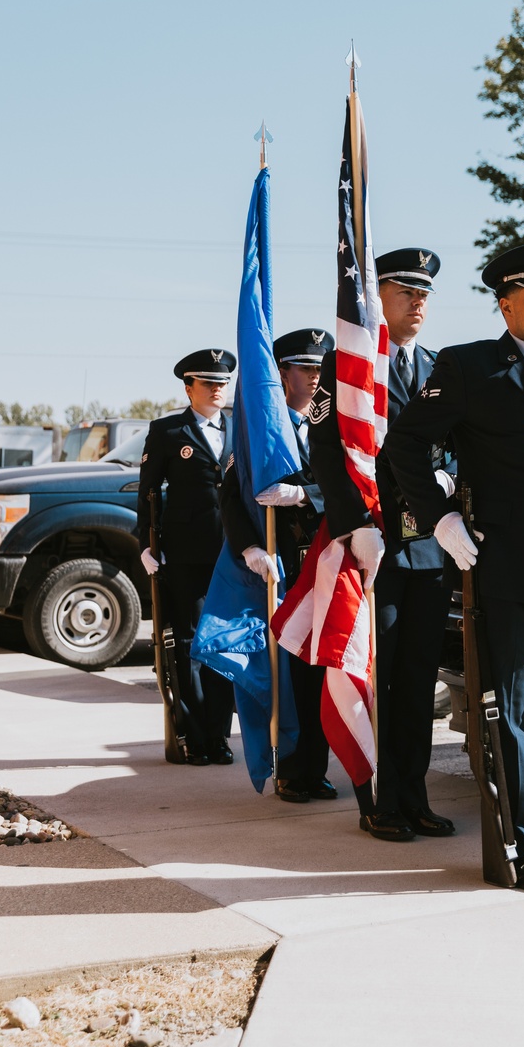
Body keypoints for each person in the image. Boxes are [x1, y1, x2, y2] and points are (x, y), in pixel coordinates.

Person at [383, 241, 524, 892]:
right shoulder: (467, 368)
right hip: (505, 569)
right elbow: (405, 442)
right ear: (505, 303)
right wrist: (440, 518)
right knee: (508, 714)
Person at [308, 248, 456, 843]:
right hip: (374, 546)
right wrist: (353, 522)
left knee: (420, 680)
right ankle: (378, 799)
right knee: (378, 676)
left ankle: (415, 794)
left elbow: (457, 441)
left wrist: (451, 482)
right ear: (378, 297)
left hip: (429, 550)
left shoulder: (442, 366)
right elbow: (326, 451)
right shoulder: (343, 365)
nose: (418, 303)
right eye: (405, 292)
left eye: (425, 294)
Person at [219, 326, 337, 803]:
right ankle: (291, 769)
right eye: (305, 369)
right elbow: (231, 493)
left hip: (327, 561)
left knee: (322, 671)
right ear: (280, 374)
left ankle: (317, 768)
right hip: (283, 564)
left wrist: (305, 494)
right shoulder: (261, 430)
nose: (314, 378)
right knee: (288, 672)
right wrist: (250, 546)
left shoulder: (331, 425)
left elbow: (353, 487)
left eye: (319, 370)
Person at [137, 349, 237, 766]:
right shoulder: (167, 431)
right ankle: (195, 738)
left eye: (222, 383)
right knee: (193, 645)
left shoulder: (238, 428)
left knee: (227, 645)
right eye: (209, 382)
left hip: (231, 555)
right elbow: (148, 492)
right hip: (187, 554)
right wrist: (144, 544)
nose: (217, 389)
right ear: (188, 387)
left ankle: (219, 735)